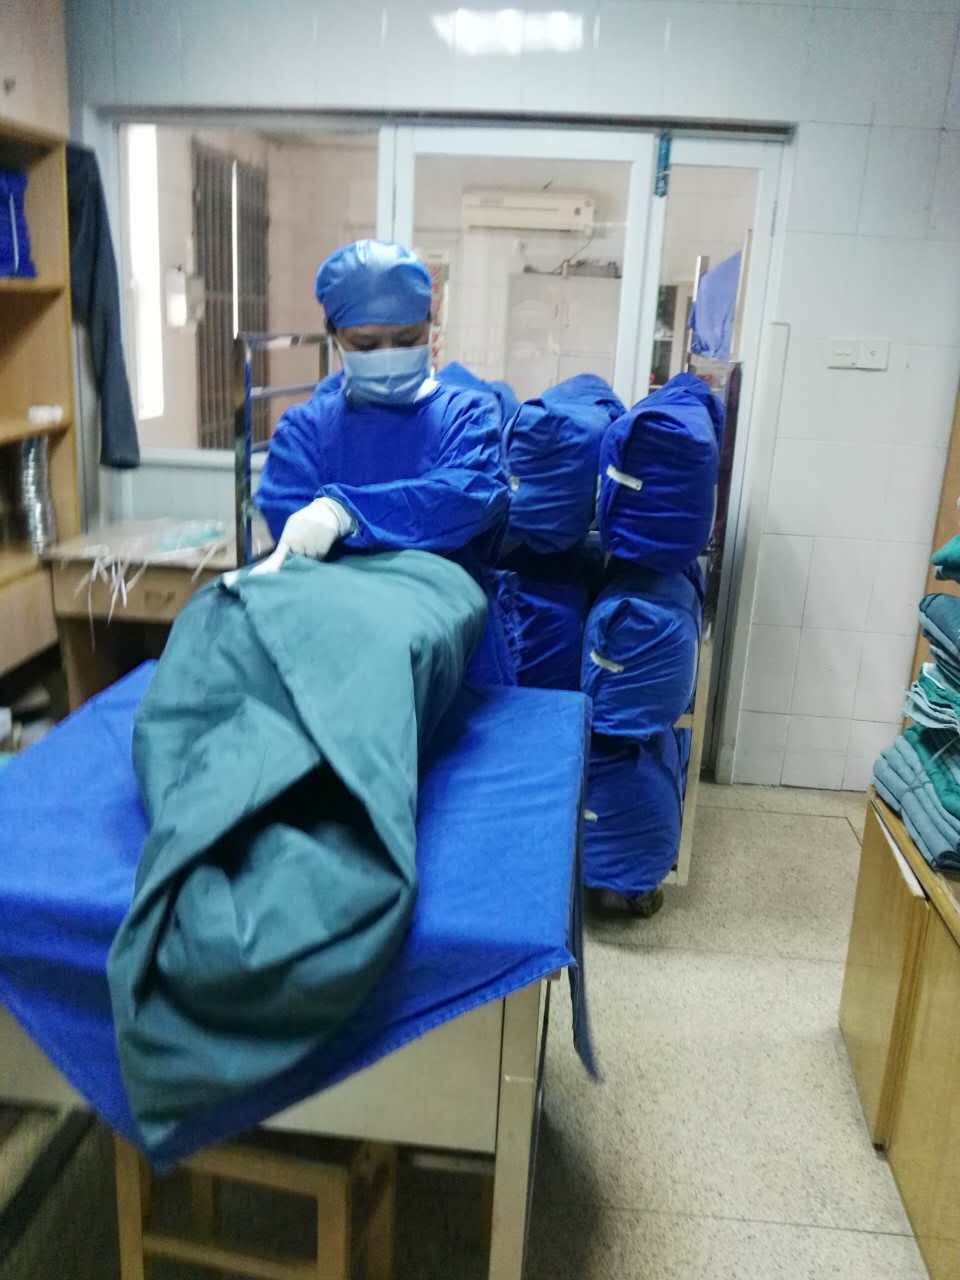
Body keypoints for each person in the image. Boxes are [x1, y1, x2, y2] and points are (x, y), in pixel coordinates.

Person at [255, 240, 516, 681]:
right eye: (366, 344)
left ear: (430, 326)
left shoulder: (465, 416)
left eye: (406, 339)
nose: (388, 354)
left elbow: (465, 496)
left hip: (456, 650)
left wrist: (344, 513)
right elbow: (292, 528)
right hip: (341, 647)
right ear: (334, 335)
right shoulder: (305, 431)